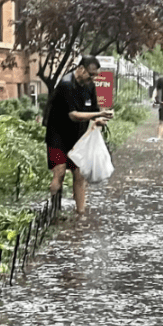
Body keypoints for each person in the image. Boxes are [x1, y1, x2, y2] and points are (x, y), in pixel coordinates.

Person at [45, 55, 113, 214]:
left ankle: (81, 213)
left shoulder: (90, 87)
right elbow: (73, 115)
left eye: (95, 74)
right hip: (58, 136)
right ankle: (54, 212)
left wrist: (101, 119)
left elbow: (94, 110)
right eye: (91, 74)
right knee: (60, 172)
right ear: (80, 69)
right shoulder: (66, 84)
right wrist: (96, 116)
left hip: (78, 137)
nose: (93, 77)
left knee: (79, 174)